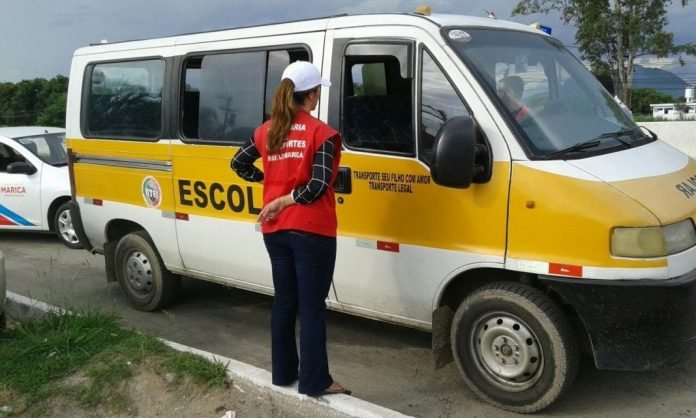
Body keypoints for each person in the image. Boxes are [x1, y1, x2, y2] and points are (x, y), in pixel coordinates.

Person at [230, 61, 349, 397]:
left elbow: (237, 163)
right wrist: (284, 200)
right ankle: (315, 381)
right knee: (312, 306)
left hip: (275, 232)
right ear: (310, 96)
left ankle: (283, 374)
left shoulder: (267, 130)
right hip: (312, 231)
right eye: (317, 91)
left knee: (285, 302)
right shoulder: (321, 133)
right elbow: (318, 186)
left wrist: (269, 184)